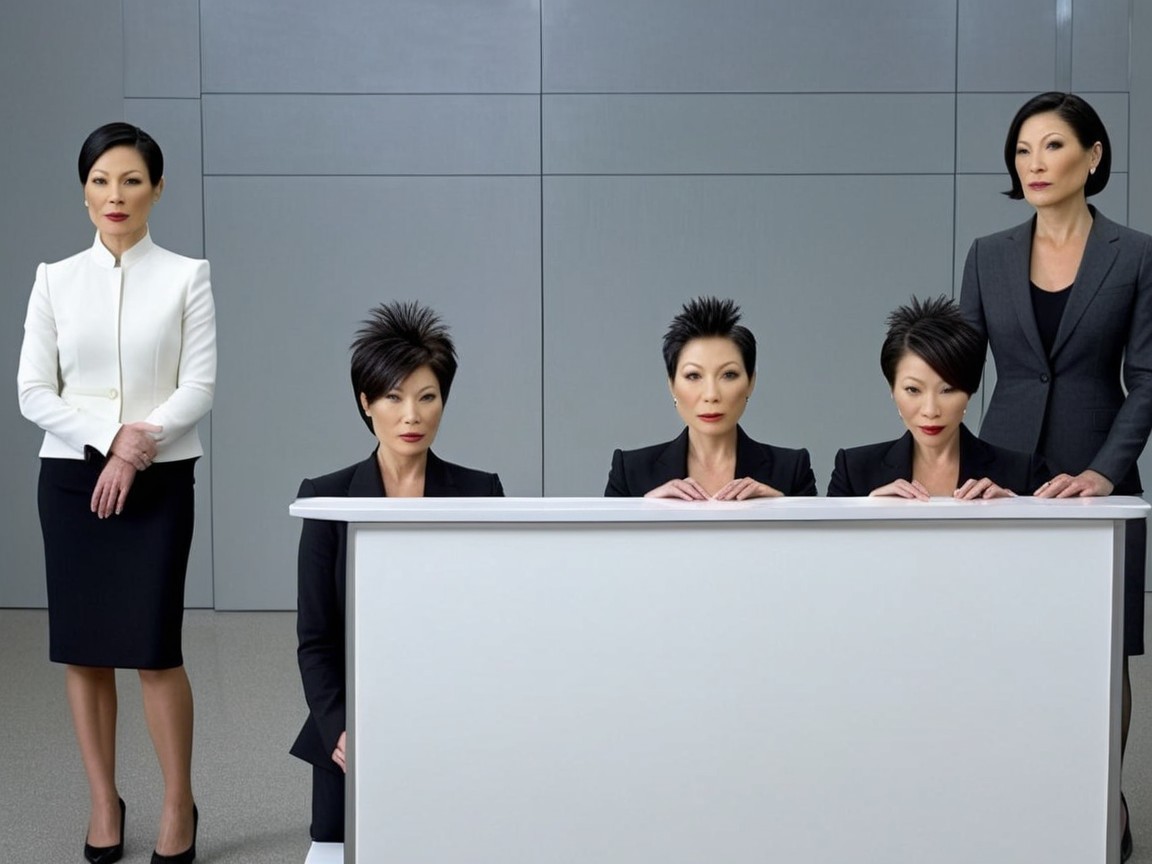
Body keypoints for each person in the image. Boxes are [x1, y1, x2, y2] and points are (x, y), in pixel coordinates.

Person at [959, 91, 1152, 861]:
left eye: (1053, 147)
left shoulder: (1135, 255)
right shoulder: (989, 253)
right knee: (1006, 646)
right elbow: (954, 371)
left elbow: (1149, 376)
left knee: (1104, 651)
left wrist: (1107, 474)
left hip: (1100, 475)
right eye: (1022, 151)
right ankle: (1019, 800)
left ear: (1093, 156)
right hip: (999, 475)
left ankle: (1104, 801)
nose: (1035, 165)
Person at [17, 123, 214, 864]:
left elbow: (199, 384)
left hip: (160, 478)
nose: (115, 195)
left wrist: (141, 444)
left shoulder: (187, 275)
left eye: (131, 179)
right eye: (101, 180)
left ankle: (176, 804)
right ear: (83, 191)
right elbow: (32, 390)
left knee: (155, 652)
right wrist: (110, 440)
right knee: (85, 654)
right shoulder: (53, 278)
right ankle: (104, 801)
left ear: (157, 188)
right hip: (71, 478)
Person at [291, 301, 504, 842]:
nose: (411, 415)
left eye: (427, 397)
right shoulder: (326, 498)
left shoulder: (481, 493)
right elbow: (315, 639)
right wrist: (339, 728)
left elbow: (492, 629)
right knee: (343, 839)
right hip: (357, 718)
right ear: (366, 403)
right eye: (393, 397)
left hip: (451, 713)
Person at [827, 296, 1048, 498]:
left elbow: (1050, 541)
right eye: (913, 390)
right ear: (892, 390)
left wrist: (1016, 511)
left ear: (970, 390)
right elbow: (824, 542)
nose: (931, 410)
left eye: (948, 389)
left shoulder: (1022, 472)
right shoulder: (854, 472)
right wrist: (867, 515)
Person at [605, 296, 816, 498]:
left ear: (751, 382)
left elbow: (820, 536)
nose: (711, 395)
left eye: (729, 375)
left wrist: (784, 510)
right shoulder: (630, 473)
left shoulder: (791, 471)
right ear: (672, 384)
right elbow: (606, 537)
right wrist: (642, 511)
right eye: (693, 375)